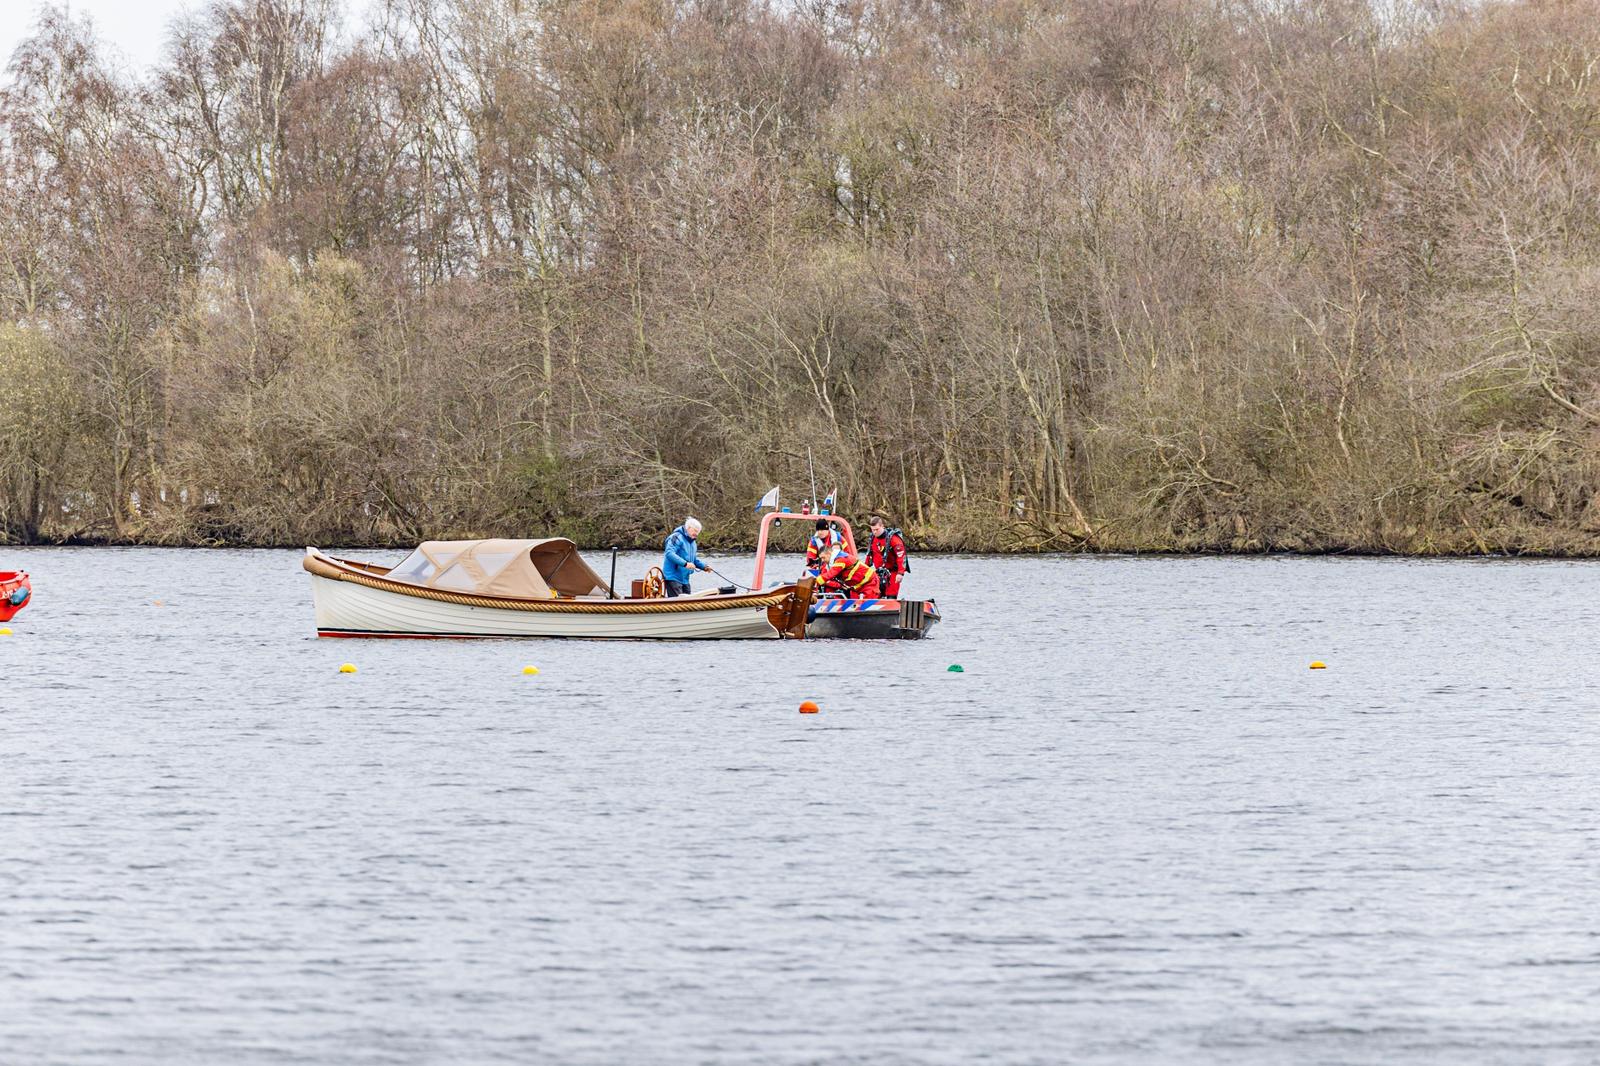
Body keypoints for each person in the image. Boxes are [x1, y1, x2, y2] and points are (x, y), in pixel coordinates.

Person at [662, 516, 713, 596]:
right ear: (688, 528)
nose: (696, 534)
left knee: (689, 601)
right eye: (695, 531)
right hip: (673, 577)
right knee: (679, 602)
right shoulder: (676, 537)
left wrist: (704, 567)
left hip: (685, 579)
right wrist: (685, 564)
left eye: (698, 532)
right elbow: (669, 553)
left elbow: (693, 560)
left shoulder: (693, 543)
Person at [864, 515, 910, 598]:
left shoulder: (893, 539)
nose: (875, 532)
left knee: (891, 596)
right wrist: (864, 570)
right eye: (873, 530)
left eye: (877, 529)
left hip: (893, 572)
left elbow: (901, 556)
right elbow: (869, 555)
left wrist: (900, 573)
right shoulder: (872, 538)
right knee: (874, 595)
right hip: (879, 572)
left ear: (882, 526)